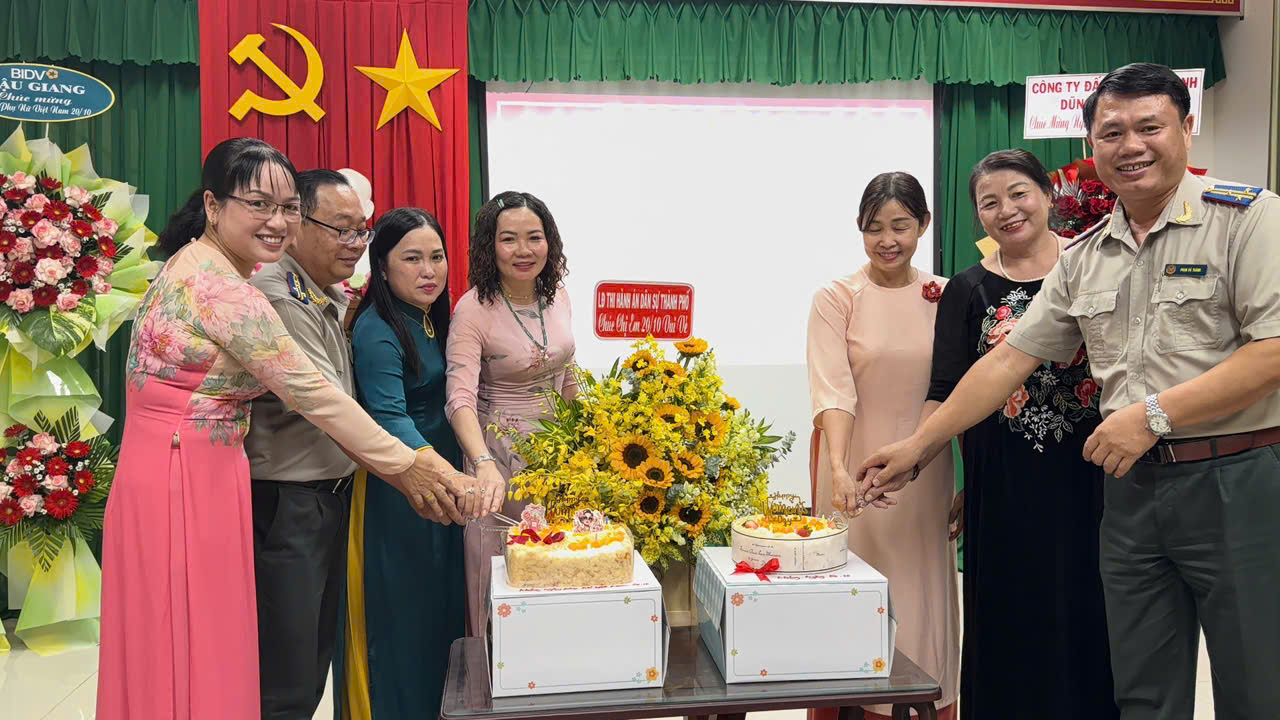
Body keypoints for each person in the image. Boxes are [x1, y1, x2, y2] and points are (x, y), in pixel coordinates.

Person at [859, 63, 1280, 720]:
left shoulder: (1248, 219)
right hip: (1130, 494)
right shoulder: (1087, 255)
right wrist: (918, 447)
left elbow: (1274, 351)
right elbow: (1008, 361)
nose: (1130, 145)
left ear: (1186, 128)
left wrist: (1154, 415)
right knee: (1139, 688)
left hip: (1234, 478)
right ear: (1091, 146)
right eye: (1112, 132)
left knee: (1256, 685)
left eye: (1149, 127)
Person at [96, 138, 470, 720]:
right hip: (184, 475)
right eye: (259, 205)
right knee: (210, 648)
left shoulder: (197, 263)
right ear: (213, 205)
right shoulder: (227, 293)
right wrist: (409, 465)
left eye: (287, 207)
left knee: (194, 648)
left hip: (183, 465)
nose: (277, 222)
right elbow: (314, 394)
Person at [930, 149, 1116, 719]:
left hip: (1092, 473)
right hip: (1003, 480)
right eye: (989, 203)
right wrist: (955, 475)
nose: (1006, 210)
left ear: (1047, 195)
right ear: (978, 217)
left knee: (1090, 608)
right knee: (1008, 614)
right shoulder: (968, 289)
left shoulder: (1093, 265)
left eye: (1018, 194)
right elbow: (948, 390)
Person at [336, 208, 502, 718]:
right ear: (382, 267)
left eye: (437, 257)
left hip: (443, 487)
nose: (429, 271)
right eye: (412, 259)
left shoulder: (431, 318)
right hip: (401, 490)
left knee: (440, 612)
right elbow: (389, 416)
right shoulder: (377, 329)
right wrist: (447, 474)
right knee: (403, 620)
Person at [807, 172, 959, 720]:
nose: (888, 240)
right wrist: (839, 470)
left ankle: (922, 703)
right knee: (853, 597)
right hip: (852, 471)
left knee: (920, 599)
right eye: (875, 228)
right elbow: (834, 391)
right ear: (859, 228)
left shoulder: (947, 295)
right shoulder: (837, 298)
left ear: (924, 225)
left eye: (901, 225)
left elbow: (962, 392)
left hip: (927, 471)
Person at [243, 169, 372, 720]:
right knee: (287, 673)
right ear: (296, 223)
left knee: (313, 661)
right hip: (289, 503)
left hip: (325, 497)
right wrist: (411, 467)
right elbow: (324, 402)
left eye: (361, 230)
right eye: (341, 229)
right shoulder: (281, 297)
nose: (355, 243)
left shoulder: (327, 293)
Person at [446, 190, 578, 636]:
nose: (524, 250)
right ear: (490, 245)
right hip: (499, 455)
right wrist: (483, 464)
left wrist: (590, 437)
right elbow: (459, 399)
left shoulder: (558, 296)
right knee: (501, 575)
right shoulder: (472, 310)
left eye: (534, 237)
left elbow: (567, 373)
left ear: (549, 242)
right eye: (509, 239)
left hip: (559, 456)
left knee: (559, 572)